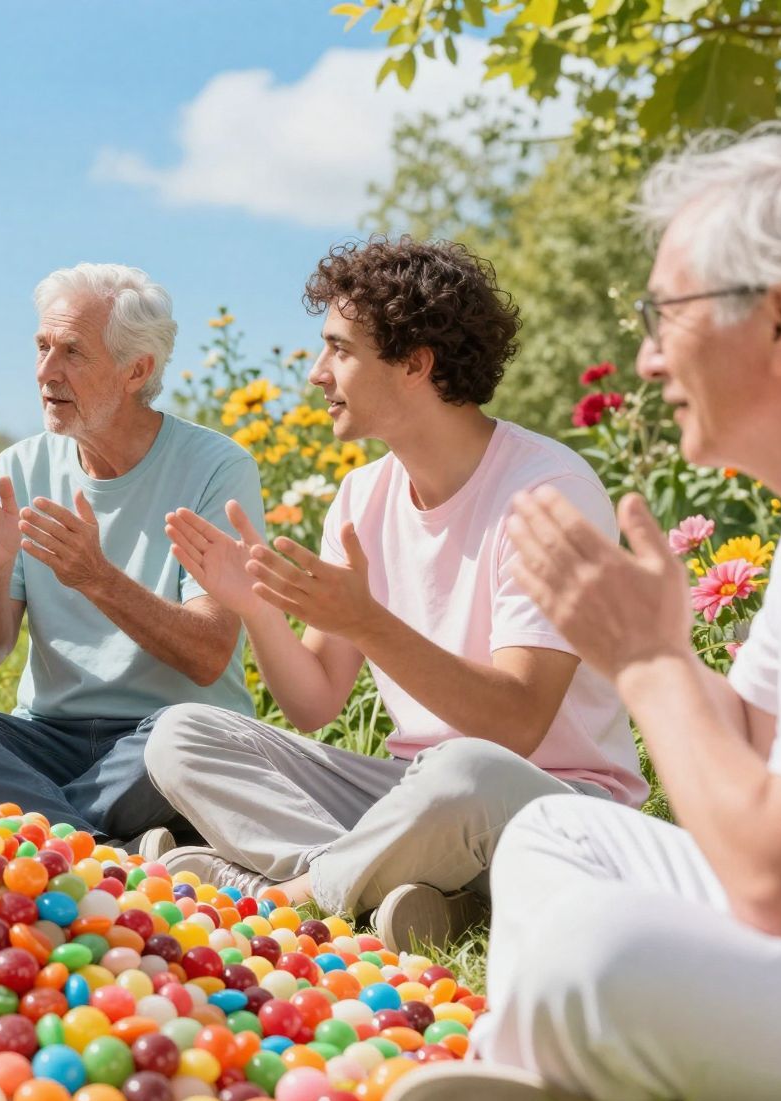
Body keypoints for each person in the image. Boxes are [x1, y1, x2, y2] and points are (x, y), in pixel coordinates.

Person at [381, 129, 781, 1101]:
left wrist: (647, 659)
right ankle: (595, 1085)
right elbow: (750, 747)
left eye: (661, 315)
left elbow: (775, 885)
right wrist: (632, 635)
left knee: (598, 949)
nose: (643, 356)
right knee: (555, 831)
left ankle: (587, 1079)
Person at [146, 238, 645, 952]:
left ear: (415, 363)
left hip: (547, 801)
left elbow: (516, 725)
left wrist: (368, 623)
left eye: (339, 350)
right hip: (410, 793)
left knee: (464, 769)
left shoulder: (547, 493)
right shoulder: (361, 497)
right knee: (182, 736)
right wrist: (255, 607)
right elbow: (315, 703)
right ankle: (395, 892)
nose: (317, 373)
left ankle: (283, 902)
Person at [0, 263, 264, 851]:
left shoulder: (215, 467)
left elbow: (209, 655)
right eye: (41, 347)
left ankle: (38, 827)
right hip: (49, 738)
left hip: (164, 740)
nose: (45, 372)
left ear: (138, 370)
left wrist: (98, 578)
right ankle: (104, 848)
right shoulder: (22, 466)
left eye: (72, 353)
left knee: (189, 739)